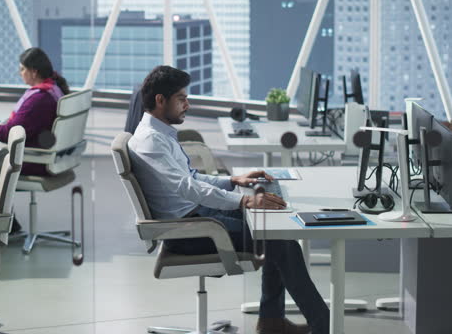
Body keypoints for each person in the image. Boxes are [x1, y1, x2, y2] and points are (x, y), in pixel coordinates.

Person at [128, 66, 329, 334]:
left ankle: (272, 321)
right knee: (280, 240)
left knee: (277, 229)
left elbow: (191, 177)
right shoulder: (151, 140)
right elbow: (189, 188)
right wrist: (243, 202)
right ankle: (323, 326)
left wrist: (233, 181)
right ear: (160, 100)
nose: (187, 104)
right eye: (181, 99)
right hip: (189, 231)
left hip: (197, 217)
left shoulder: (159, 132)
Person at [0, 47, 69, 185]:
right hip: (41, 155)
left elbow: (11, 133)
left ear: (34, 72)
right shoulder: (53, 89)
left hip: (32, 161)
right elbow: (24, 125)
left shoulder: (39, 100)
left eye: (22, 69)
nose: (20, 73)